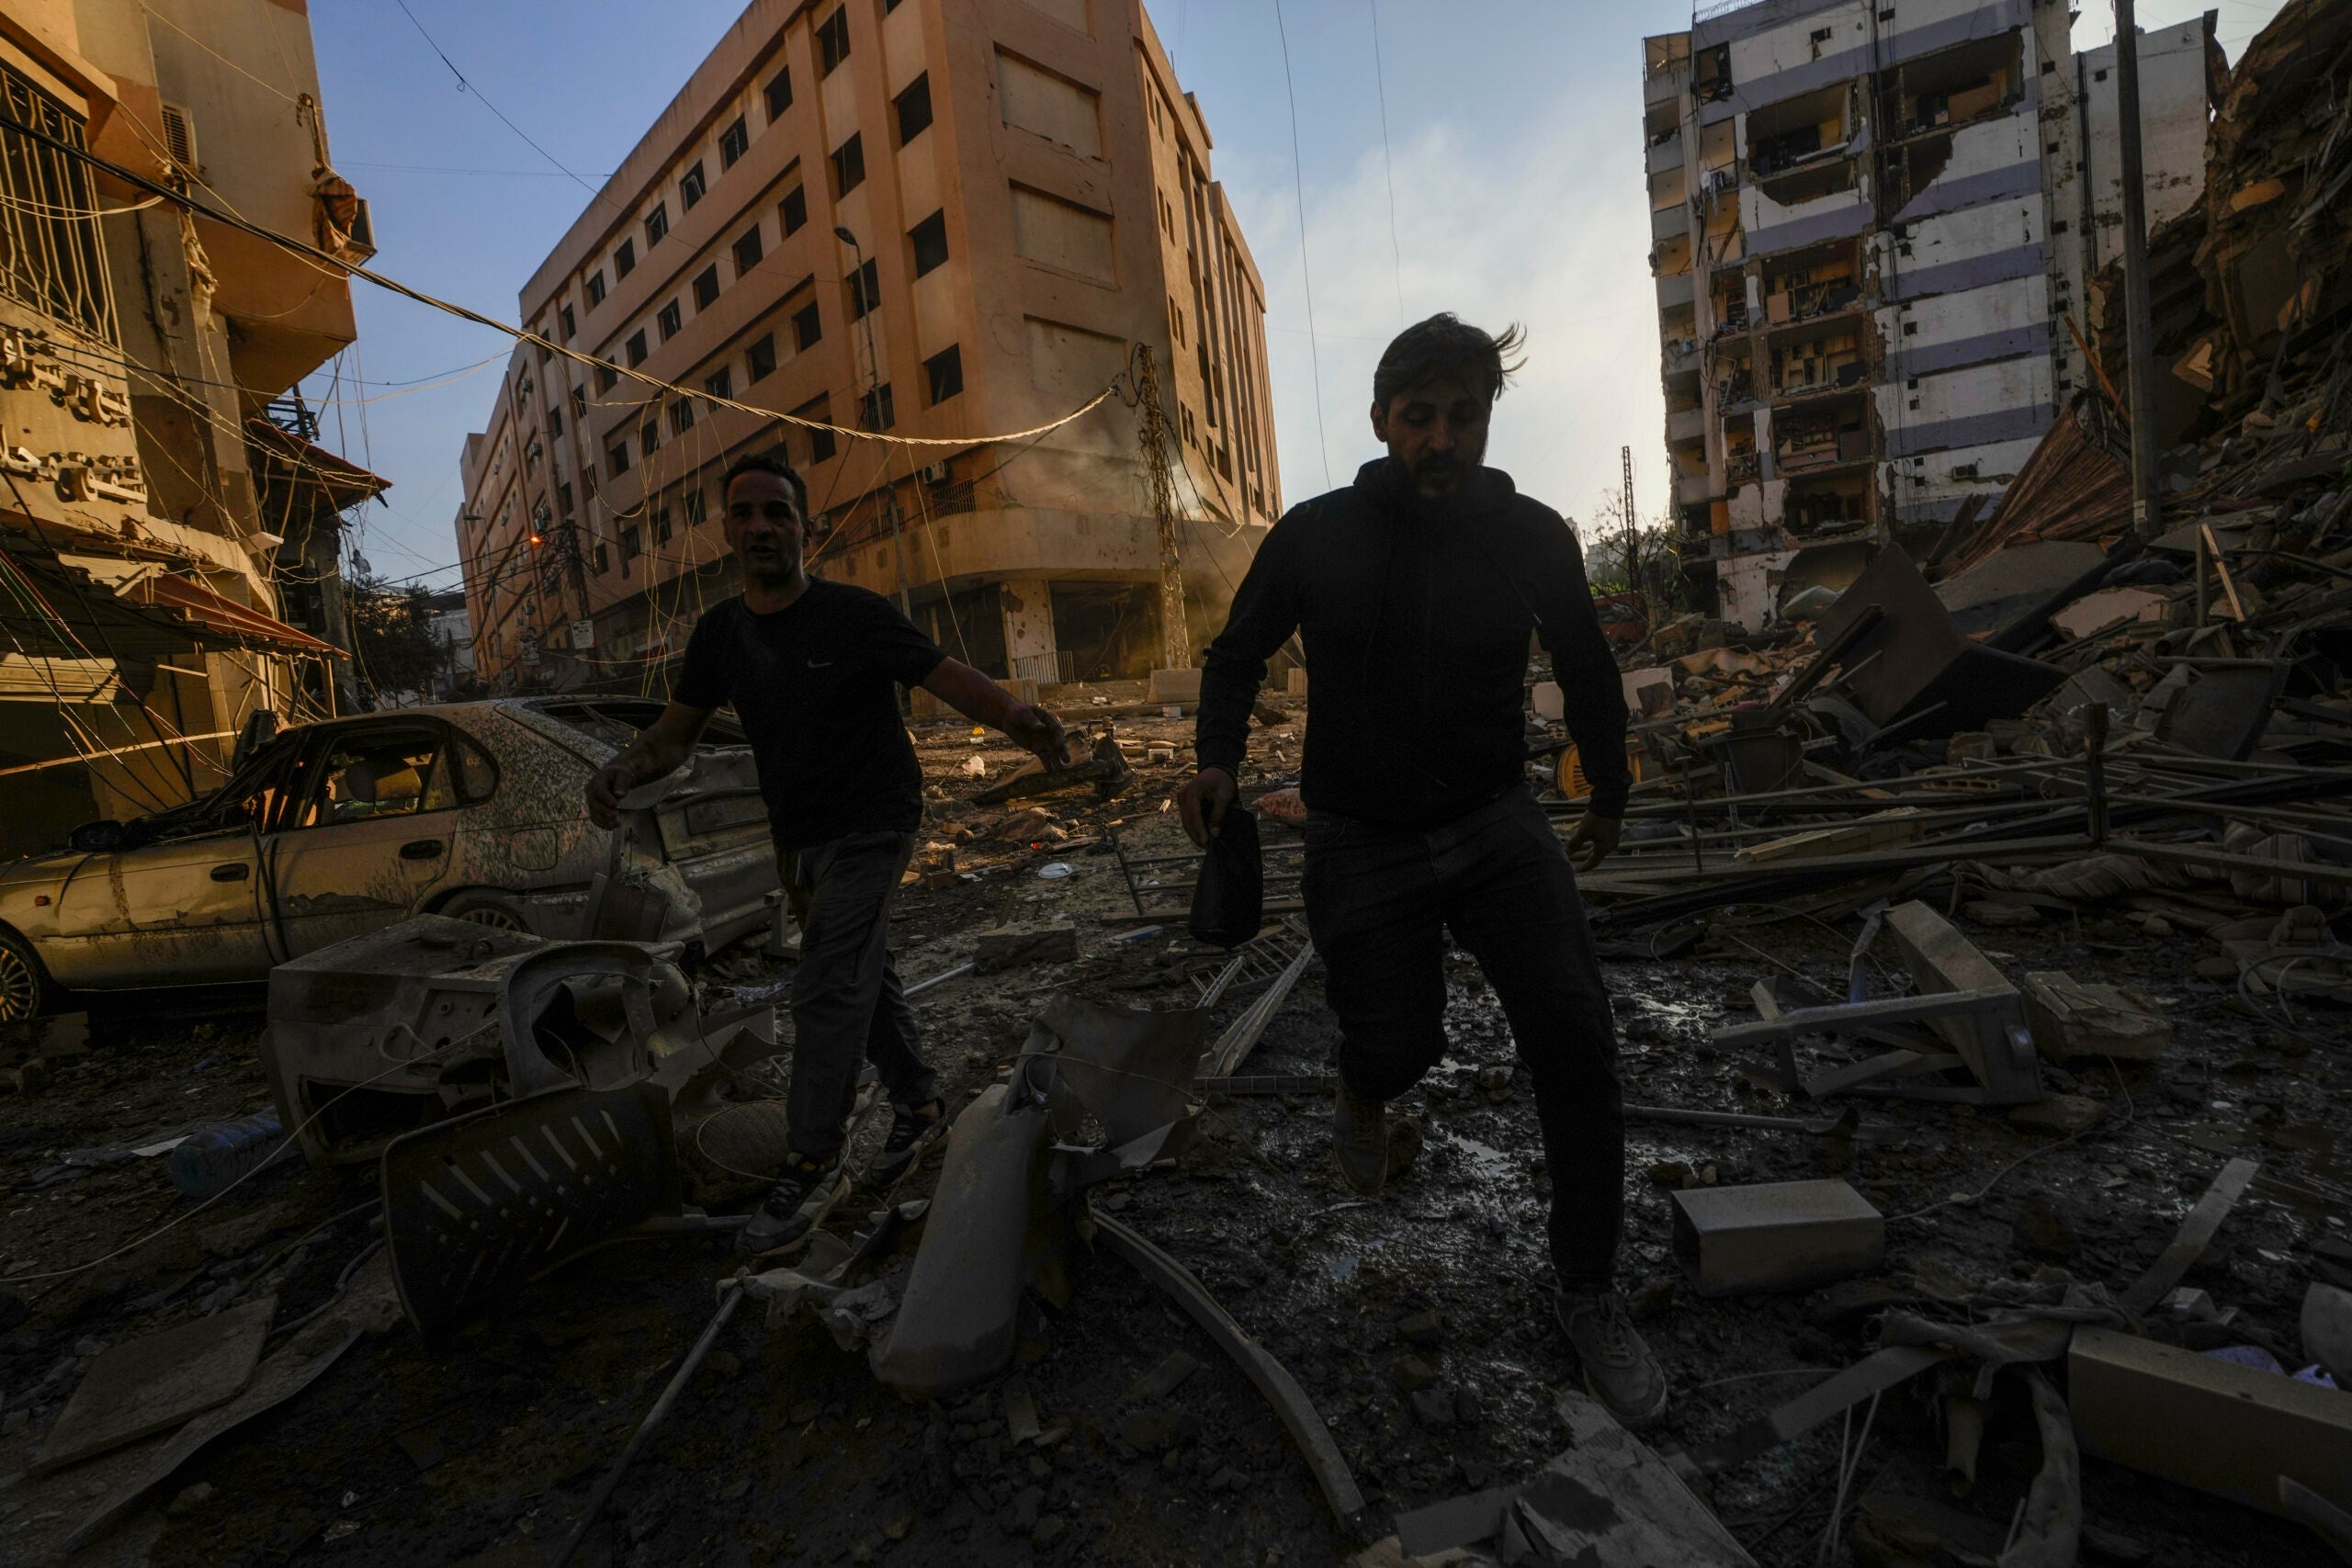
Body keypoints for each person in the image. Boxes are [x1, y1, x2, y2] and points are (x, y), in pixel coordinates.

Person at [1174, 315, 1667, 1426]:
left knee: (1577, 1043)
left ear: (1486, 420)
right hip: (1359, 835)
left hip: (1497, 825)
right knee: (1403, 1048)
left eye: (1464, 416)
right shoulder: (1316, 535)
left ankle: (1586, 1291)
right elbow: (1236, 650)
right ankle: (1363, 1084)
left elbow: (1586, 659)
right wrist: (1213, 762)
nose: (1442, 438)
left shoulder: (1533, 534)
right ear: (1380, 421)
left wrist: (1611, 788)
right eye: (1420, 417)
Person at [588, 451, 1066, 1253]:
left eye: (776, 512)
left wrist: (1017, 714)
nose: (760, 527)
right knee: (861, 977)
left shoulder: (854, 614)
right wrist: (622, 770)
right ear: (727, 532)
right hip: (798, 839)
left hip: (876, 822)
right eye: (744, 513)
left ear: (804, 529)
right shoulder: (720, 635)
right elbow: (674, 737)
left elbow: (944, 676)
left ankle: (811, 1156)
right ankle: (917, 1103)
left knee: (825, 986)